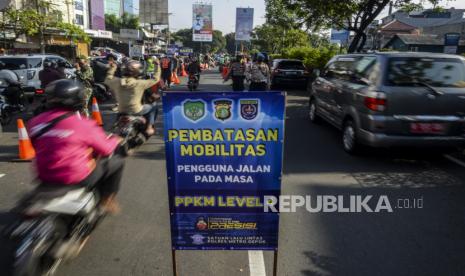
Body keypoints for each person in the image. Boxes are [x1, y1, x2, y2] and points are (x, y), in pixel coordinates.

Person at [27, 79, 124, 214]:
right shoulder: (83, 124)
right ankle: (106, 200)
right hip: (74, 177)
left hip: (43, 175)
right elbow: (106, 149)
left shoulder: (35, 121)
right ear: (78, 100)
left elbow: (35, 144)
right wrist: (115, 140)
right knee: (116, 162)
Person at [104, 60, 159, 136]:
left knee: (112, 127)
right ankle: (149, 127)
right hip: (136, 110)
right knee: (154, 106)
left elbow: (108, 78)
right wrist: (157, 66)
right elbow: (155, 79)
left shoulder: (117, 81)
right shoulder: (140, 83)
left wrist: (113, 68)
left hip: (121, 110)